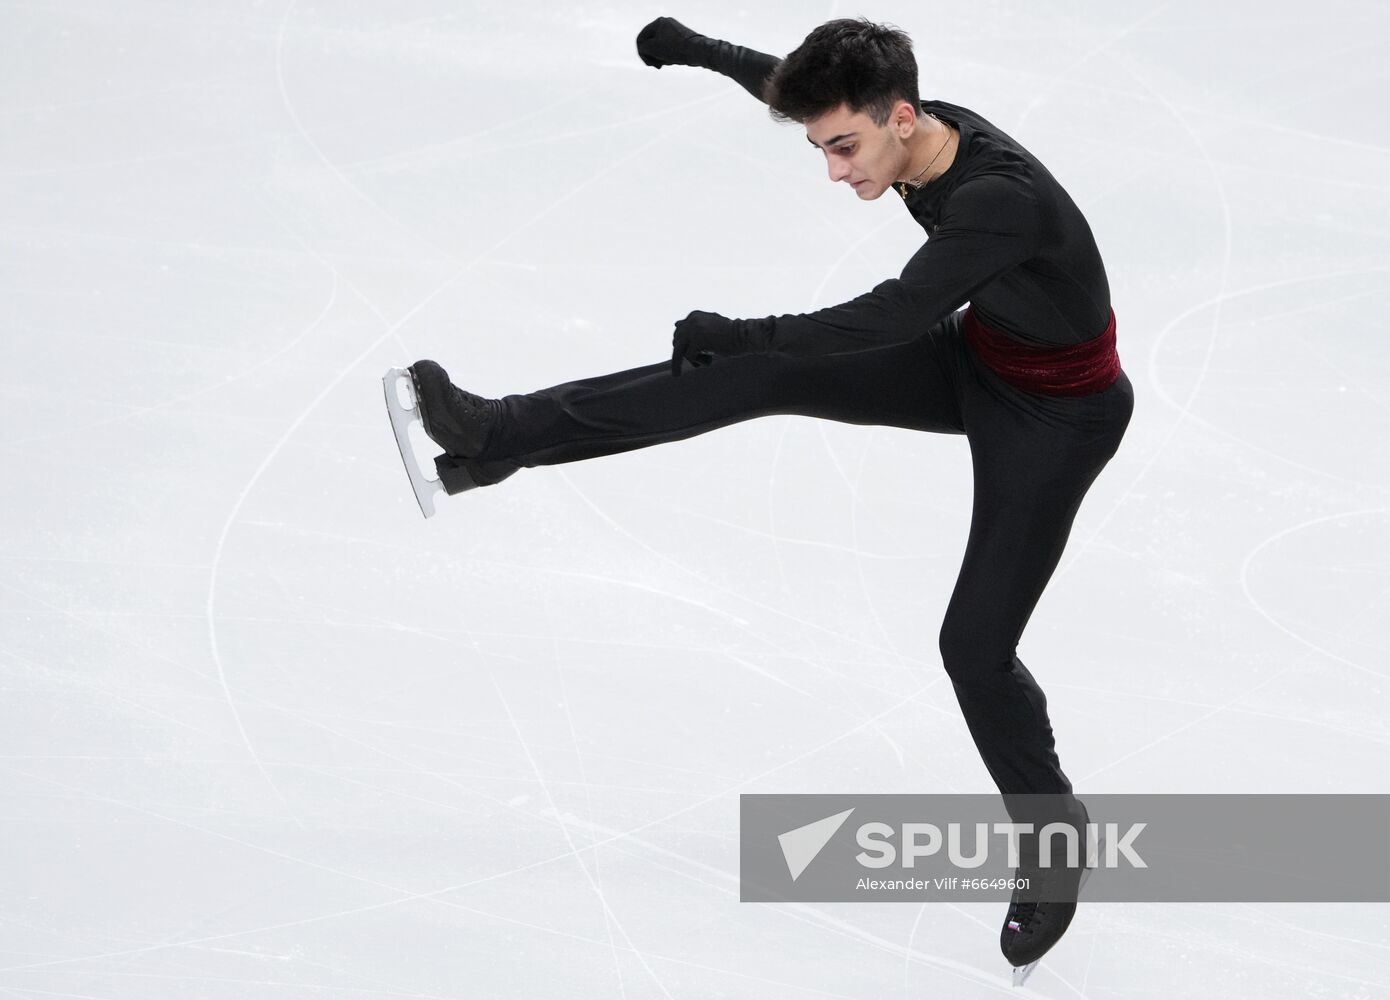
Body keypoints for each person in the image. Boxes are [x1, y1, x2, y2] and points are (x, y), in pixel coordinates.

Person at [403, 16, 1133, 973]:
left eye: (845, 147)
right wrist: (698, 48)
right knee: (742, 379)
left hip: (1058, 417)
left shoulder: (997, 199)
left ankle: (1053, 836)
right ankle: (494, 436)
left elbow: (894, 313)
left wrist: (751, 331)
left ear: (902, 118)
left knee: (973, 647)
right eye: (820, 146)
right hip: (978, 360)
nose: (834, 170)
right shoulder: (920, 134)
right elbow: (785, 83)